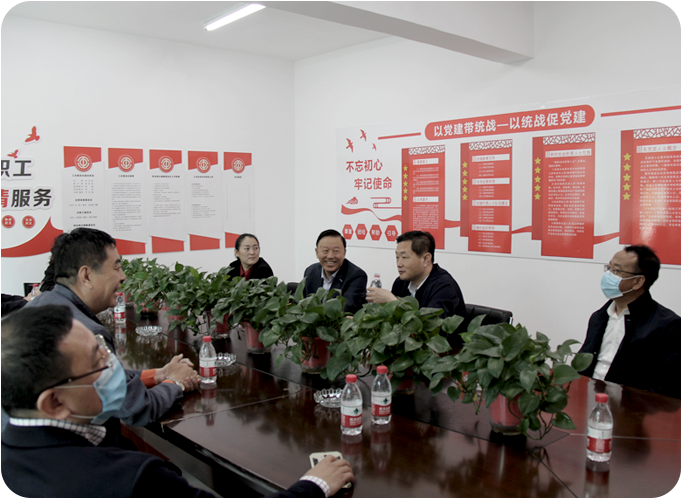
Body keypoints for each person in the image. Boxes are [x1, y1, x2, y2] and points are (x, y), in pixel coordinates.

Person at [1, 305, 355, 498]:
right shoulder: (130, 480)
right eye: (98, 361)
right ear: (54, 403)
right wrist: (314, 485)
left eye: (105, 351)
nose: (113, 367)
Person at [25, 227, 200, 431]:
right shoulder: (85, 334)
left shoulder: (38, 305)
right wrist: (175, 381)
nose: (123, 276)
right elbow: (138, 408)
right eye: (116, 268)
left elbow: (108, 379)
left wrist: (158, 374)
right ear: (86, 276)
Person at [578, 245, 681, 398]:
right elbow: (583, 366)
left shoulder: (667, 325)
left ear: (638, 281)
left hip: (632, 406)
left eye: (616, 271)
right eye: (608, 268)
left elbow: (669, 386)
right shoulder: (599, 317)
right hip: (589, 399)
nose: (608, 275)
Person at [366, 230, 467, 346]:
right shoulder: (400, 283)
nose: (399, 264)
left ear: (426, 259)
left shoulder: (445, 287)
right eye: (397, 257)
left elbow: (428, 328)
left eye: (404, 257)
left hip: (445, 353)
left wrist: (394, 303)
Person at [303, 229, 367, 313]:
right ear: (317, 252)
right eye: (325, 251)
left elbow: (345, 308)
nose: (330, 256)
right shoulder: (311, 271)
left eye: (336, 251)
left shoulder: (357, 276)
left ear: (344, 253)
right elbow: (299, 300)